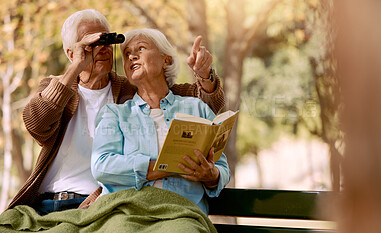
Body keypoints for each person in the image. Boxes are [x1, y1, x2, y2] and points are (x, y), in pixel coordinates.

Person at [9, 9, 225, 215]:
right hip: (46, 200)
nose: (103, 48)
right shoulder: (56, 87)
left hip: (94, 203)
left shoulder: (130, 88)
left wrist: (205, 76)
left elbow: (198, 101)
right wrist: (75, 67)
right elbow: (36, 124)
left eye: (107, 40)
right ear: (70, 52)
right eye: (92, 43)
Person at [91, 28, 230, 214]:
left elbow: (222, 167)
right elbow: (102, 166)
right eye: (127, 54)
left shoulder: (196, 108)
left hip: (182, 212)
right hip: (129, 212)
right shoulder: (114, 114)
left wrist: (212, 175)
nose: (132, 56)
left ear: (166, 60)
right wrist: (165, 167)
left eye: (140, 49)